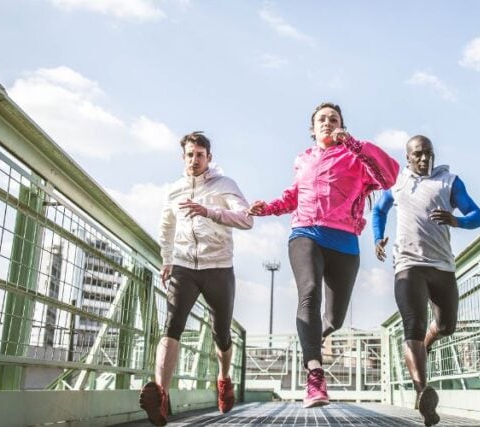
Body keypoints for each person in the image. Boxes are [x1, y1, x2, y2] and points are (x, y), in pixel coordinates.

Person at [249, 102, 399, 408]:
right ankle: (315, 376)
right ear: (312, 127)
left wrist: (354, 143)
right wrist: (269, 208)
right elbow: (295, 195)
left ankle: (314, 337)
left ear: (342, 125)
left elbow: (389, 177)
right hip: (306, 233)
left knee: (335, 318)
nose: (327, 123)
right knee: (309, 293)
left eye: (334, 119)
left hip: (344, 242)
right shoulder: (303, 159)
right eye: (322, 119)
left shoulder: (355, 156)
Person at [140, 132, 253, 426]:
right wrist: (167, 260)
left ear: (209, 157)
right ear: (183, 157)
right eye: (190, 155)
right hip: (184, 266)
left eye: (200, 154)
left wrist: (210, 212)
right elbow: (166, 228)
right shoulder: (174, 190)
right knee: (172, 326)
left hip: (218, 267)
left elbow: (247, 219)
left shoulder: (225, 185)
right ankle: (161, 396)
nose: (194, 160)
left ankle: (224, 378)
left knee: (221, 334)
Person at [371, 135, 480, 427]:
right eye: (418, 154)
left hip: (442, 266)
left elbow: (477, 215)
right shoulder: (397, 183)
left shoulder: (450, 181)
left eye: (428, 154)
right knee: (413, 326)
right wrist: (378, 238)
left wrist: (457, 220)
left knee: (446, 326)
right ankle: (423, 393)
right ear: (408, 157)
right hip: (407, 264)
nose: (424, 159)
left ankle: (429, 341)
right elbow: (379, 210)